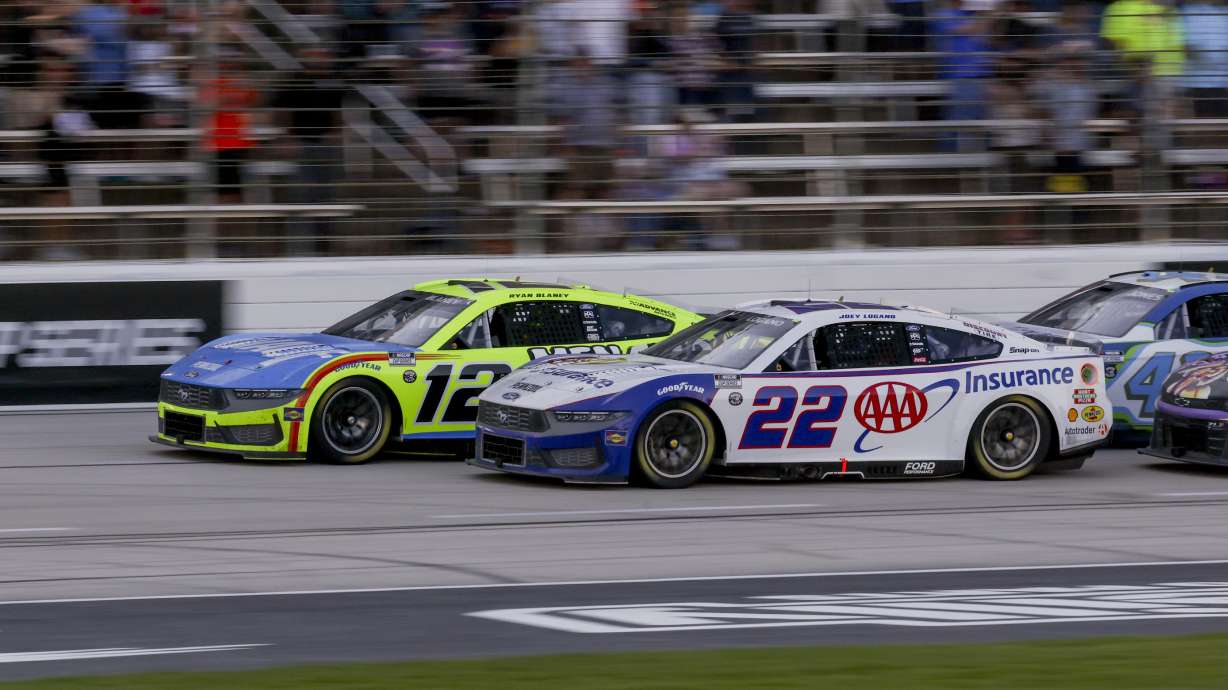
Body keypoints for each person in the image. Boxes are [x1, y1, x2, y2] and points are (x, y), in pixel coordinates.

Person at [271, 46, 348, 256]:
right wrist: (287, 138)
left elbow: (336, 111)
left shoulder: (333, 81)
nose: (321, 59)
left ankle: (324, 246)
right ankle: (297, 248)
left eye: (324, 55)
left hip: (325, 143)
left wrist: (336, 133)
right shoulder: (294, 80)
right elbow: (281, 110)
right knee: (301, 194)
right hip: (301, 142)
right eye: (316, 55)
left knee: (325, 195)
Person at [933, 0, 996, 151]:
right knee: (957, 121)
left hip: (985, 72)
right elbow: (965, 30)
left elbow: (989, 40)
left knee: (986, 121)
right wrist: (989, 15)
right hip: (962, 75)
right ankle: (946, 160)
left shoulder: (977, 16)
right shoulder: (944, 15)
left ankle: (981, 162)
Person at [1181, 0, 1228, 117]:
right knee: (1202, 115)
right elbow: (1189, 46)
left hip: (1221, 80)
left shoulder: (1223, 12)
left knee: (1220, 118)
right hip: (1198, 80)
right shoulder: (1189, 11)